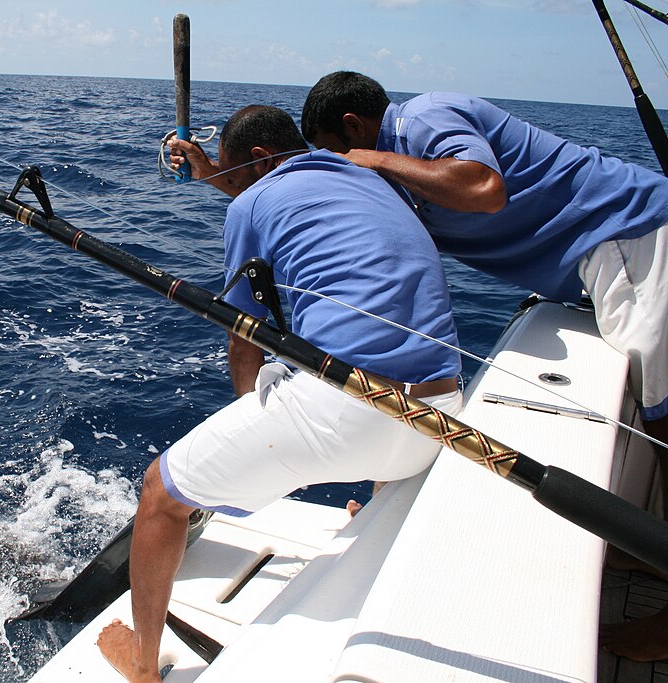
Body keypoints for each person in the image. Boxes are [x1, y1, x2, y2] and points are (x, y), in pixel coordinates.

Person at [299, 71, 668, 663]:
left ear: (353, 129)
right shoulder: (403, 176)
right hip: (603, 265)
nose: (347, 167)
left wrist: (375, 158)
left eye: (339, 153)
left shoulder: (421, 119)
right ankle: (653, 548)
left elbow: (482, 187)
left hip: (633, 237)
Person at [97, 105, 462, 682]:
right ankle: (368, 501)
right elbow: (279, 200)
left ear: (262, 160)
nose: (231, 187)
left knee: (161, 492)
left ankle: (142, 665)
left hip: (347, 418)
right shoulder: (372, 178)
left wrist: (253, 431)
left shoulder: (248, 202)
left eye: (233, 174)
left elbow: (244, 338)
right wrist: (217, 173)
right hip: (436, 420)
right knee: (375, 350)